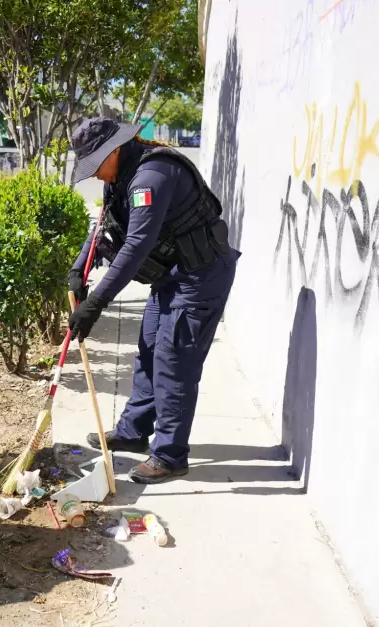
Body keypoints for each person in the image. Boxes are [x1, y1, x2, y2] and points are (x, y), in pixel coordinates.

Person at [67, 117, 240, 484]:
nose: (96, 175)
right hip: (171, 277)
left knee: (173, 360)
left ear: (113, 150)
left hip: (200, 276)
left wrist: (96, 302)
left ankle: (170, 454)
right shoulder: (121, 175)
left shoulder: (152, 176)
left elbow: (136, 245)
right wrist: (77, 270)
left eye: (97, 165)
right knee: (148, 348)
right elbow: (103, 226)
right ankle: (133, 430)